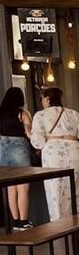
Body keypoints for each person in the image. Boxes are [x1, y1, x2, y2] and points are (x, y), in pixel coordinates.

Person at [29, 87, 79, 223]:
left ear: (46, 99)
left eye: (42, 99)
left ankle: (58, 223)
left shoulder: (40, 115)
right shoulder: (73, 113)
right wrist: (71, 137)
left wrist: (48, 138)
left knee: (54, 188)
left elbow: (37, 142)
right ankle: (75, 220)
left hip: (53, 153)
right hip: (75, 151)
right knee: (75, 187)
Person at [0, 86, 33, 229]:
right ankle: (24, 222)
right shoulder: (22, 113)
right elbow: (30, 133)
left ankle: (15, 222)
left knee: (10, 188)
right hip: (19, 148)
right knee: (23, 187)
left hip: (2, 149)